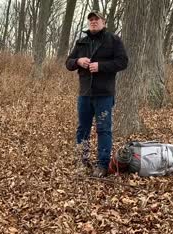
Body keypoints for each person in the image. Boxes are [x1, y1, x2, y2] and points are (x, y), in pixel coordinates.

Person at [65, 10, 128, 177]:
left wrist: (101, 66)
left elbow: (123, 62)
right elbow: (68, 63)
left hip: (104, 94)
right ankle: (82, 160)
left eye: (97, 19)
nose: (93, 22)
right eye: (91, 20)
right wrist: (78, 61)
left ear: (104, 23)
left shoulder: (113, 40)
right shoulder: (81, 42)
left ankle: (102, 164)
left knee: (104, 129)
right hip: (84, 93)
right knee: (82, 129)